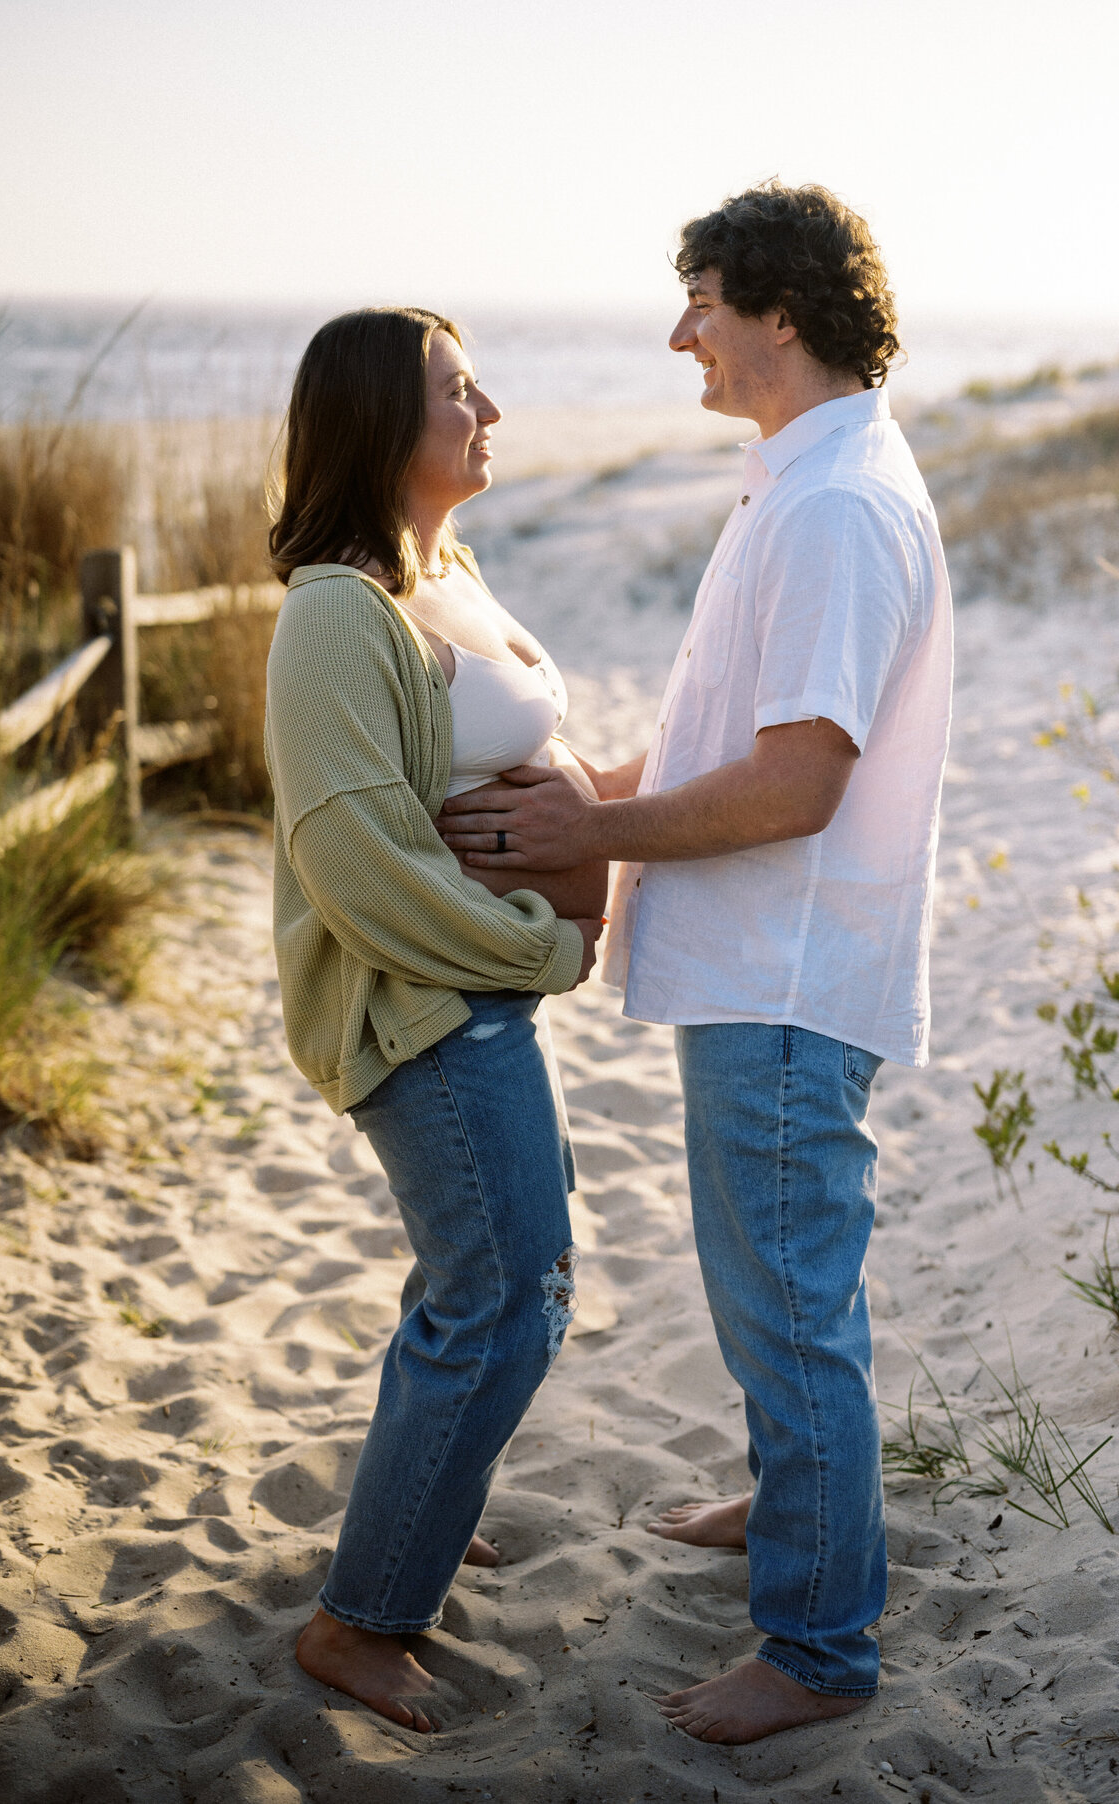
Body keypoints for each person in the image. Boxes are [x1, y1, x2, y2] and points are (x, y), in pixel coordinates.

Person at [437, 182, 953, 1745]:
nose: (682, 335)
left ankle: (817, 1648)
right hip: (756, 969)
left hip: (788, 982)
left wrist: (596, 844)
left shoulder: (839, 504)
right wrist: (594, 795)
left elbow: (798, 782)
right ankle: (791, 1509)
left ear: (780, 313)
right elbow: (734, 728)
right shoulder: (799, 479)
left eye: (705, 303)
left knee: (794, 1308)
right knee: (765, 1295)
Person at [263, 306, 607, 1732]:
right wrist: (545, 944)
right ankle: (361, 1622)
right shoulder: (335, 613)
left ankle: (421, 1500)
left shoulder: (442, 570)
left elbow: (512, 749)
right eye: (460, 393)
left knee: (490, 1281)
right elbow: (362, 868)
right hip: (430, 1013)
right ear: (378, 426)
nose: (493, 411)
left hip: (479, 1003)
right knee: (506, 1298)